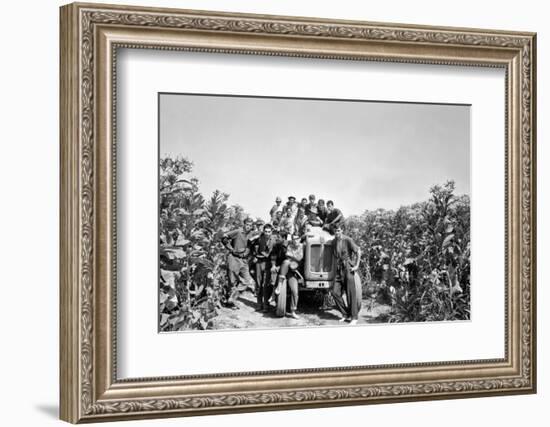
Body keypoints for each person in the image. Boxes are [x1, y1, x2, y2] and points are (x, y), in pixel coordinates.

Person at [221, 218, 256, 309]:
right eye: (247, 224)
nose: (248, 226)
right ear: (244, 224)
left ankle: (231, 298)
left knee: (247, 281)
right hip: (234, 258)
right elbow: (224, 237)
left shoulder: (251, 234)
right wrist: (230, 249)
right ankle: (230, 302)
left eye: (250, 225)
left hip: (244, 260)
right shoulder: (237, 232)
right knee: (232, 281)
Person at [331, 224, 362, 325]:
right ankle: (345, 313)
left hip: (347, 267)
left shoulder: (348, 240)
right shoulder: (333, 241)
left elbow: (358, 251)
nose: (337, 233)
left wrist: (356, 265)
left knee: (350, 293)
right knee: (335, 292)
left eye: (339, 230)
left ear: (342, 230)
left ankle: (354, 317)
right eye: (335, 231)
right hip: (338, 268)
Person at [274, 231, 304, 319]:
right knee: (286, 262)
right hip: (285, 270)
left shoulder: (302, 247)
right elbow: (288, 256)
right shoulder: (290, 246)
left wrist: (292, 257)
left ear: (300, 239)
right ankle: (278, 288)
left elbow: (300, 257)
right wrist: (294, 258)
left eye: (297, 239)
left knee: (295, 291)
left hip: (293, 272)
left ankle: (293, 310)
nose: (295, 241)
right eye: (293, 239)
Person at [253, 223, 276, 312]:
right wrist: (254, 256)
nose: (267, 233)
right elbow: (252, 246)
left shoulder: (274, 240)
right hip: (259, 261)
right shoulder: (259, 238)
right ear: (263, 231)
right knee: (258, 283)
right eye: (265, 231)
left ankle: (266, 305)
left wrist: (274, 264)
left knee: (266, 284)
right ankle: (259, 304)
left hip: (268, 263)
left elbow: (275, 252)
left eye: (269, 232)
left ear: (271, 232)